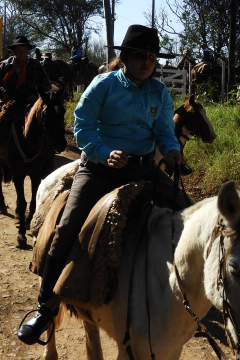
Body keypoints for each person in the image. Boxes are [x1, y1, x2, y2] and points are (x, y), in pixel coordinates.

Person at [16, 25, 185, 345]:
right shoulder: (104, 85)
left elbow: (164, 130)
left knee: (187, 212)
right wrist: (104, 153)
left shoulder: (159, 92)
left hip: (143, 170)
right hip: (99, 170)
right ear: (126, 57)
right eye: (141, 56)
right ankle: (43, 308)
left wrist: (173, 149)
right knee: (67, 228)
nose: (148, 62)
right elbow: (82, 126)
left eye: (152, 56)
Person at [0, 37, 52, 168]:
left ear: (28, 51)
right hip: (9, 103)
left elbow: (46, 85)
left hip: (31, 104)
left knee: (49, 123)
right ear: (14, 51)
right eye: (19, 50)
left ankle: (48, 161)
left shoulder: (36, 65)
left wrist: (35, 95)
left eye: (24, 50)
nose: (22, 52)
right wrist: (3, 93)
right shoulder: (5, 65)